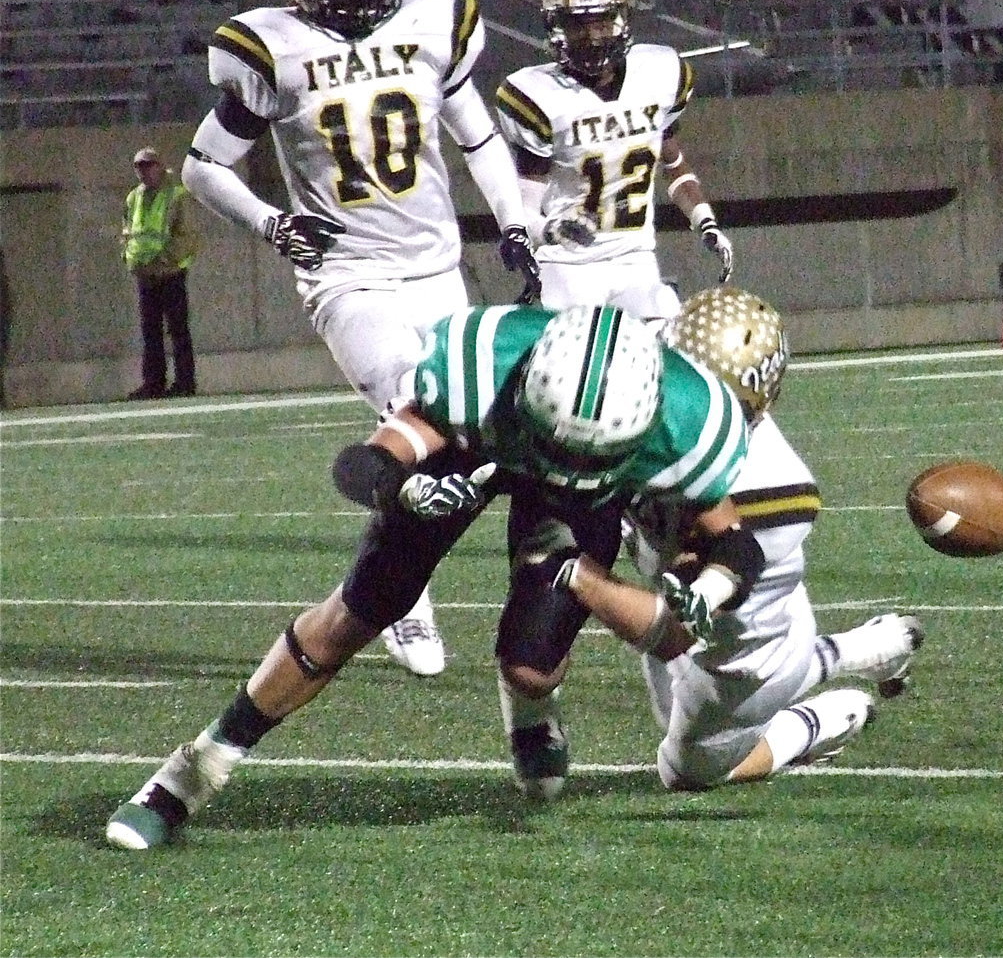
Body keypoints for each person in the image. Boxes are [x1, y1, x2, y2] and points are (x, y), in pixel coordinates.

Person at [106, 302, 769, 849]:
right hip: (474, 448)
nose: (563, 467)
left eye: (584, 454)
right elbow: (365, 463)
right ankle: (195, 768)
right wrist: (401, 493)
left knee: (531, 662)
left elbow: (734, 545)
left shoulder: (690, 420)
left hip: (575, 498)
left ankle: (530, 705)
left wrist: (704, 590)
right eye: (557, 448)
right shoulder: (480, 368)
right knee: (362, 609)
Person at [178, 0, 540, 676]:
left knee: (464, 429)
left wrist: (515, 224)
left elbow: (477, 136)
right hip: (348, 271)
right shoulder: (274, 47)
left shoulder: (431, 22)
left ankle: (397, 578)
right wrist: (273, 224)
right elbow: (202, 167)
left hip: (437, 264)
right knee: (412, 404)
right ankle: (402, 597)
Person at [552, 286, 925, 791]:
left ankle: (822, 720)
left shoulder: (767, 494)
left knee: (685, 772)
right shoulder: (693, 408)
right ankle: (861, 650)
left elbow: (676, 629)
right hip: (715, 596)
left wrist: (581, 579)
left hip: (743, 648)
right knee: (670, 709)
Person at [494, 0, 734, 324]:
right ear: (557, 29)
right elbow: (522, 207)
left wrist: (705, 221)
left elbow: (672, 162)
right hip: (568, 267)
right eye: (578, 27)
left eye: (601, 23)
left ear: (620, 20)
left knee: (666, 339)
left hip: (635, 260)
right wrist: (551, 230)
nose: (592, 38)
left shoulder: (659, 73)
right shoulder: (537, 95)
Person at [121, 147, 198, 400]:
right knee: (150, 332)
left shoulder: (175, 196)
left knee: (178, 330)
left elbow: (186, 236)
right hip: (145, 274)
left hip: (170, 272)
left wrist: (163, 258)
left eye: (148, 165)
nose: (144, 171)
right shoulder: (133, 198)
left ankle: (184, 383)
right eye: (139, 167)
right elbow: (128, 231)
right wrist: (129, 257)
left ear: (159, 166)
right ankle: (153, 383)